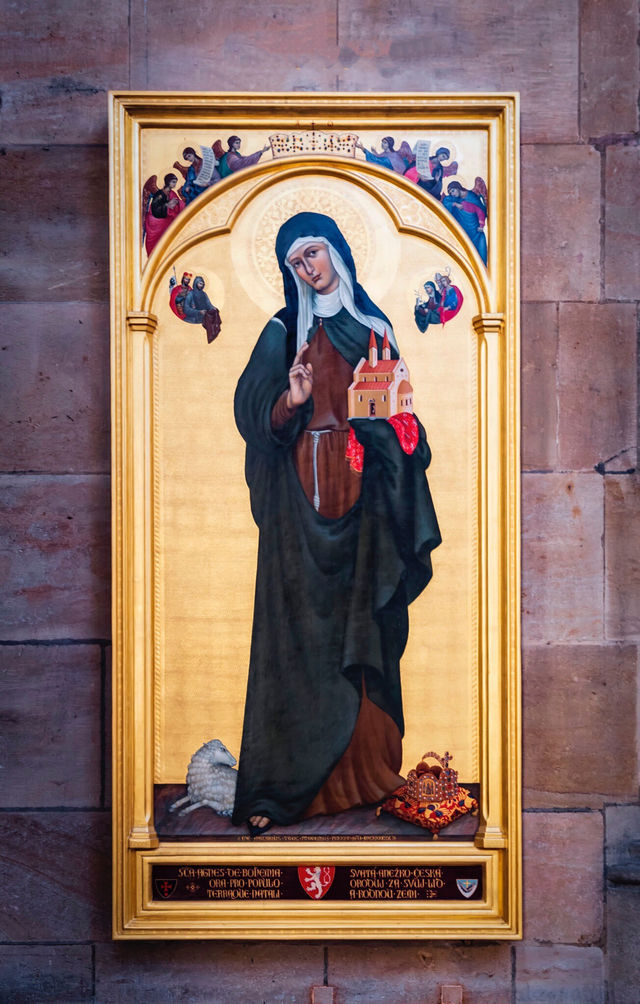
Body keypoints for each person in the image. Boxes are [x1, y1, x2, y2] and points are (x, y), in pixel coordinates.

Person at [232, 212, 441, 835]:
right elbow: (250, 408)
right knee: (297, 642)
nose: (307, 268)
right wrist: (289, 400)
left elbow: (402, 413)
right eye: (296, 262)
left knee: (364, 628)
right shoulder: (282, 330)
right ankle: (281, 789)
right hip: (298, 508)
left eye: (314, 253)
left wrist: (399, 432)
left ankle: (368, 776)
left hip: (365, 504)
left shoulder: (373, 327)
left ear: (338, 252)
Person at [443, 182, 488, 264]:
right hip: (463, 231)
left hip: (475, 230)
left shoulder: (471, 197)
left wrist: (482, 225)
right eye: (450, 193)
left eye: (453, 191)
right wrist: (455, 204)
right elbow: (445, 202)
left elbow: (480, 211)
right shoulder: (454, 198)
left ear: (458, 188)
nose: (452, 194)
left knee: (478, 251)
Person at [144, 174, 183, 255]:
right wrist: (167, 206)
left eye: (175, 182)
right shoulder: (160, 194)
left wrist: (177, 202)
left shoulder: (172, 193)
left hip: (166, 216)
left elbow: (180, 204)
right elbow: (155, 209)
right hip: (156, 219)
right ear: (168, 182)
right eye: (173, 182)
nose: (174, 184)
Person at [183, 275, 222, 343]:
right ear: (196, 283)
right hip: (193, 318)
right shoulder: (191, 294)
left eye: (203, 284)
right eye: (200, 283)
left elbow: (208, 305)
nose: (202, 285)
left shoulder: (204, 294)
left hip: (203, 316)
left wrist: (214, 308)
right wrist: (198, 312)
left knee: (214, 314)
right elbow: (186, 309)